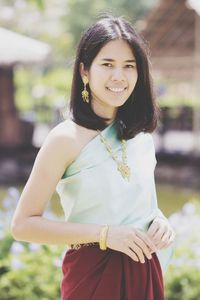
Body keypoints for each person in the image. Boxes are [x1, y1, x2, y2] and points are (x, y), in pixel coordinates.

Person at [11, 14, 176, 300]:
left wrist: (161, 222)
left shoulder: (142, 139)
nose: (119, 76)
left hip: (144, 272)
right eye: (107, 65)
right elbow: (23, 225)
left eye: (129, 66)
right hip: (93, 276)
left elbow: (142, 206)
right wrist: (105, 234)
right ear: (85, 71)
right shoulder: (65, 139)